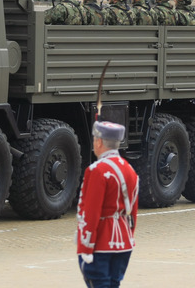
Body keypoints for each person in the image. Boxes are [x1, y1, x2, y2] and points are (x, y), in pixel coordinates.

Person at [76, 120, 139, 288]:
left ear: (99, 142)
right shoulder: (130, 170)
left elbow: (91, 212)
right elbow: (132, 212)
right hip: (124, 241)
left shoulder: (97, 170)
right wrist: (129, 235)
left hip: (101, 242)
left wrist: (86, 247)